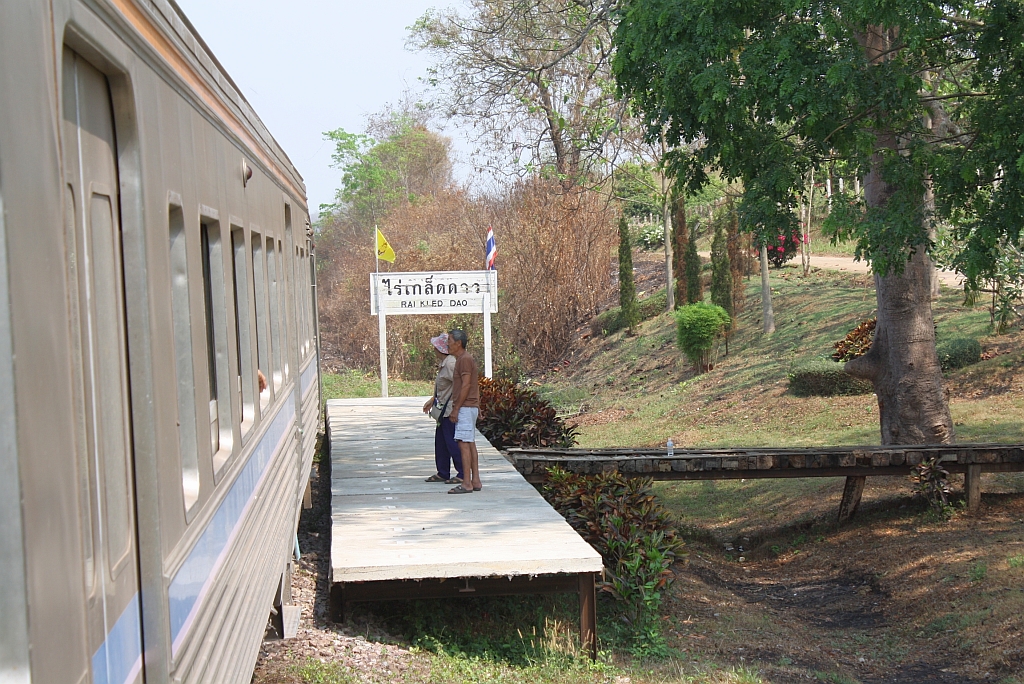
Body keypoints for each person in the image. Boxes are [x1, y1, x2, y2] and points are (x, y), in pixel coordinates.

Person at [422, 333, 464, 484]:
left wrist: (457, 408)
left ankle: (462, 473)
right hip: (442, 411)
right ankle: (443, 472)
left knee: (452, 443)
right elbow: (444, 387)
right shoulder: (445, 363)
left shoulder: (451, 363)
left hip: (449, 411)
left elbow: (462, 384)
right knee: (441, 443)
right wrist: (432, 400)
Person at [446, 328, 481, 493]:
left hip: (465, 407)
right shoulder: (464, 359)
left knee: (463, 444)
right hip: (470, 406)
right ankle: (475, 480)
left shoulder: (464, 360)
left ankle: (467, 482)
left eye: (449, 341)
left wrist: (456, 408)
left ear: (458, 343)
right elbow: (475, 384)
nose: (447, 344)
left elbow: (467, 385)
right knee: (470, 443)